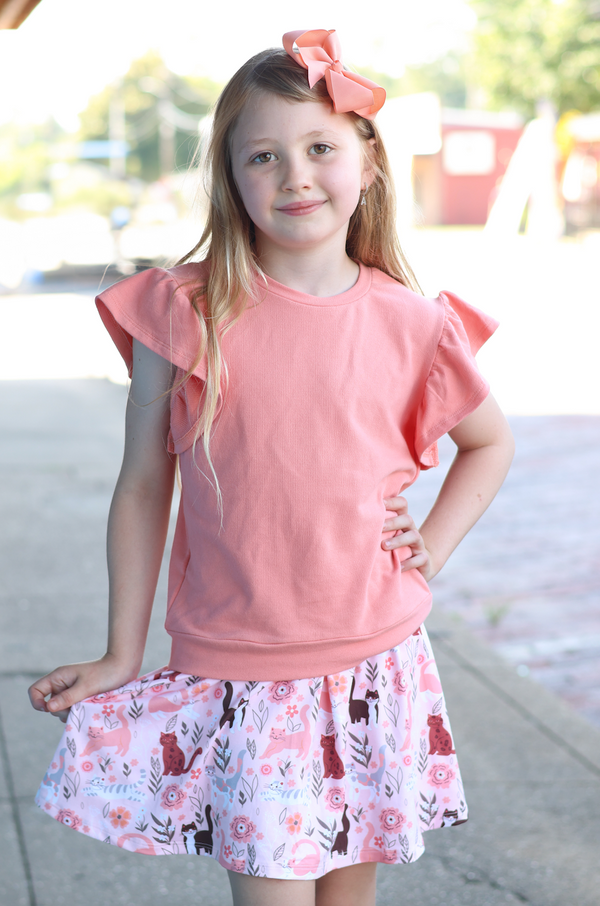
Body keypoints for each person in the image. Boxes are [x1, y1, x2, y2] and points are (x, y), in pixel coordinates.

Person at [29, 29, 515, 906]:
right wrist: (121, 652)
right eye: (264, 155)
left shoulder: (415, 324)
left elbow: (490, 442)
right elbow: (144, 485)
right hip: (250, 672)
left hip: (377, 662)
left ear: (365, 163)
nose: (295, 175)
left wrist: (432, 546)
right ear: (231, 175)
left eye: (320, 147)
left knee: (348, 895)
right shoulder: (183, 311)